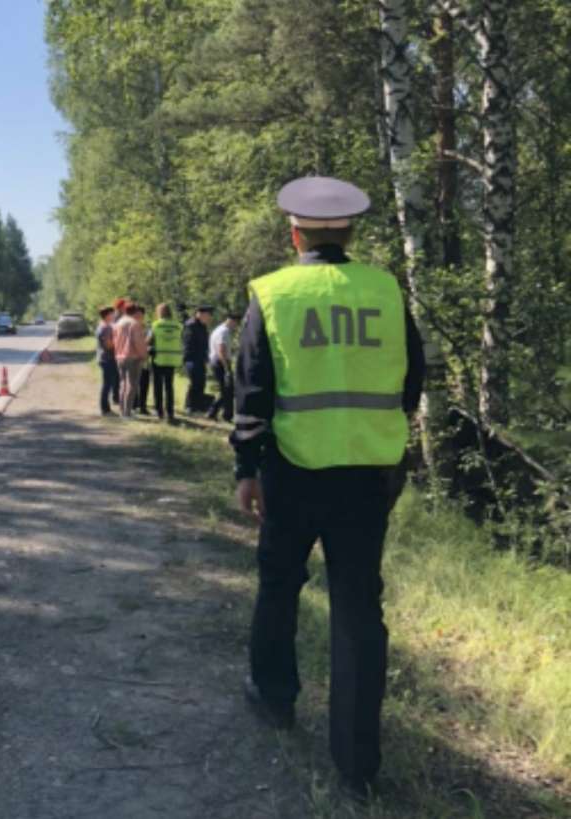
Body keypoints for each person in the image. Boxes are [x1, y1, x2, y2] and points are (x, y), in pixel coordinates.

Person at [231, 176, 426, 799]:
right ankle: (357, 764)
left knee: (280, 584)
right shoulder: (386, 291)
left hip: (292, 469)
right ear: (351, 232)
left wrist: (246, 467)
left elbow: (252, 389)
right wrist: (387, 451)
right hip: (367, 475)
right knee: (359, 610)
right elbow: (412, 379)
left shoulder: (273, 292)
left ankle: (275, 697)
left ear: (295, 234)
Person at [113, 302, 147, 418]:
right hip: (133, 357)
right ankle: (127, 413)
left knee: (123, 384)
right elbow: (137, 341)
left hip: (119, 356)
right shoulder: (134, 324)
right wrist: (144, 354)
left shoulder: (118, 323)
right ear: (135, 311)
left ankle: (122, 411)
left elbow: (115, 340)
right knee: (132, 385)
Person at [149, 303, 181, 423]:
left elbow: (149, 341)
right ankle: (170, 412)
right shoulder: (178, 326)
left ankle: (159, 411)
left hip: (159, 359)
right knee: (169, 387)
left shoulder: (155, 325)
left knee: (158, 386)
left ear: (159, 313)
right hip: (172, 359)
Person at [207, 313, 239, 422]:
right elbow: (221, 350)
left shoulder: (218, 329)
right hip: (221, 362)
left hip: (217, 361)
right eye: (236, 323)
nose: (236, 326)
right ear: (232, 321)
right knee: (228, 389)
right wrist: (226, 368)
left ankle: (218, 413)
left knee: (226, 390)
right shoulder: (224, 331)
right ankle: (223, 415)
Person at [182, 305, 212, 414]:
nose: (209, 318)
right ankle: (189, 406)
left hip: (200, 358)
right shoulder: (191, 325)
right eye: (208, 315)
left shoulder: (202, 326)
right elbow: (189, 343)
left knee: (201, 382)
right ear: (200, 314)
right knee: (195, 382)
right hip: (192, 358)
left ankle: (197, 406)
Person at [95, 307, 119, 416]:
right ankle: (104, 408)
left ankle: (106, 407)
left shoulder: (102, 326)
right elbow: (108, 345)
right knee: (107, 384)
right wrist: (119, 341)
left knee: (108, 384)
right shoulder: (106, 327)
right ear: (107, 315)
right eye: (112, 314)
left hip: (104, 358)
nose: (114, 315)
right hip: (107, 358)